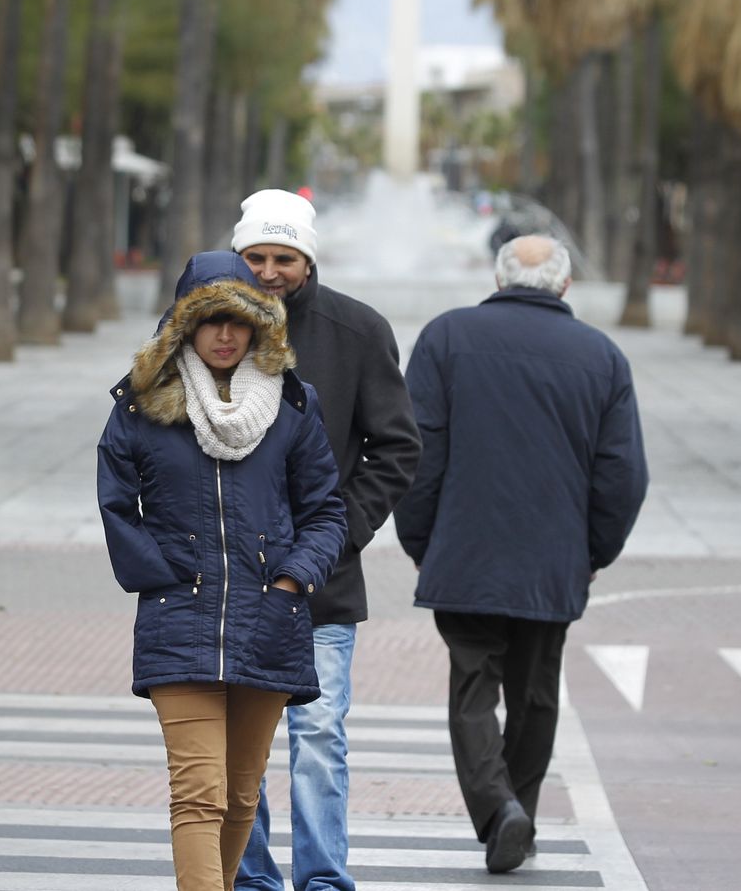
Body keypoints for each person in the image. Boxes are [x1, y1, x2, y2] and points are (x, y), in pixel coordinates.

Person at [393, 236, 648, 875]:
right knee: (536, 693)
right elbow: (622, 474)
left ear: (499, 278)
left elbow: (417, 450)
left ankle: (499, 808)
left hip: (466, 549)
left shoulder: (446, 338)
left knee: (473, 687)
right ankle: (518, 813)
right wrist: (593, 552)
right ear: (565, 285)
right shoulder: (602, 356)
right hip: (553, 557)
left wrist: (421, 540)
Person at [97, 250, 347, 891]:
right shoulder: (142, 405)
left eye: (240, 321)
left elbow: (325, 511)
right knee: (199, 792)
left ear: (260, 325)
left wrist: (292, 581)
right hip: (179, 620)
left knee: (240, 796)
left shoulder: (293, 406)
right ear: (185, 326)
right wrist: (161, 577)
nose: (226, 334)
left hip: (269, 621)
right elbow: (117, 505)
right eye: (211, 320)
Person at [228, 189, 421, 891]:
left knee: (316, 736)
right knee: (237, 744)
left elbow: (396, 446)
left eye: (283, 257)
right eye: (256, 256)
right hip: (228, 575)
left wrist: (341, 532)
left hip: (323, 578)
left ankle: (323, 879)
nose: (269, 271)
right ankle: (252, 877)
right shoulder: (207, 325)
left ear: (308, 259)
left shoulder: (359, 330)